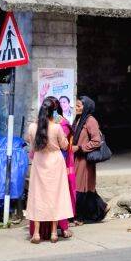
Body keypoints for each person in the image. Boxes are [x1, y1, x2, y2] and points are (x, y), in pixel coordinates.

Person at [26, 98, 74, 244]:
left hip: (39, 161)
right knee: (56, 196)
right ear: (54, 111)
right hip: (55, 162)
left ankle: (36, 233)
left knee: (37, 196)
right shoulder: (57, 127)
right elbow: (65, 146)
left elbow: (29, 141)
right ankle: (54, 233)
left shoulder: (32, 127)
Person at [72, 96, 110, 224]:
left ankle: (80, 217)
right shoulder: (78, 120)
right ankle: (102, 207)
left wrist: (80, 148)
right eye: (76, 105)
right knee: (83, 187)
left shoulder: (90, 120)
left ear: (86, 108)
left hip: (84, 159)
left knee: (81, 188)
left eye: (78, 106)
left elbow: (96, 141)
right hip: (76, 158)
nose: (76, 108)